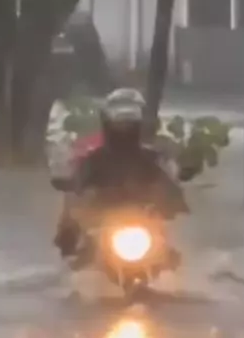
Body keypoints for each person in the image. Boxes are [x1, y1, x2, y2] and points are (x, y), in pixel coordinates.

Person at [54, 88, 189, 259]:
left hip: (145, 230)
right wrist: (68, 232)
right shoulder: (92, 161)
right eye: (119, 122)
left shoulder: (153, 159)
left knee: (172, 259)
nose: (124, 128)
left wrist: (174, 203)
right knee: (79, 261)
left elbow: (171, 188)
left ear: (139, 125)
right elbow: (74, 194)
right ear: (107, 123)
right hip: (102, 231)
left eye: (129, 123)